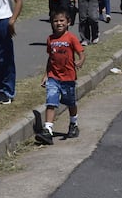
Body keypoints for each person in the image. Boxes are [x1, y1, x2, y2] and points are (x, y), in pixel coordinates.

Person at [34, 8, 85, 145]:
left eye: (62, 20)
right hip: (53, 77)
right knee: (51, 101)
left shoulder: (71, 38)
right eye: (55, 21)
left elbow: (81, 53)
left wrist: (80, 60)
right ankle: (48, 130)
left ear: (68, 22)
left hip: (68, 78)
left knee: (70, 102)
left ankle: (73, 124)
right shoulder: (50, 39)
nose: (59, 23)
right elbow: (50, 58)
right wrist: (46, 75)